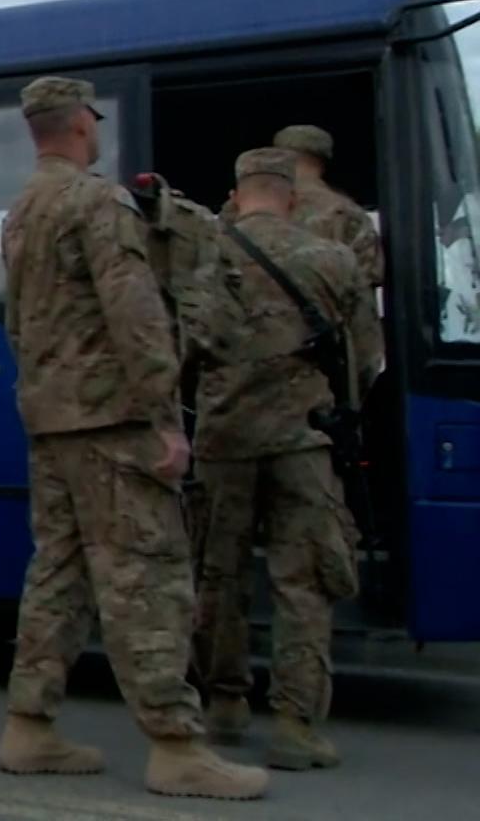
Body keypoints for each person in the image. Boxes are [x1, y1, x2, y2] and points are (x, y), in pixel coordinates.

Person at [0, 76, 266, 800]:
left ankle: (29, 726)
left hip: (50, 420)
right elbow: (136, 315)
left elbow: (17, 323)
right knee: (148, 575)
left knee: (58, 574)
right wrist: (163, 419)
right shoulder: (98, 201)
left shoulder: (22, 211)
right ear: (82, 124)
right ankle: (176, 746)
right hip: (111, 424)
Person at [193, 148, 381, 770]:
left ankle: (224, 705)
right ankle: (296, 727)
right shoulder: (333, 259)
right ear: (292, 199)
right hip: (304, 442)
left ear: (237, 195)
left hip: (224, 443)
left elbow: (181, 349)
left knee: (219, 575)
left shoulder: (207, 255)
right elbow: (366, 360)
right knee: (302, 583)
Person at [272, 125, 384, 298]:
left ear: (278, 158)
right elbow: (368, 278)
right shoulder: (351, 213)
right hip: (327, 312)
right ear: (323, 162)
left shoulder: (249, 206)